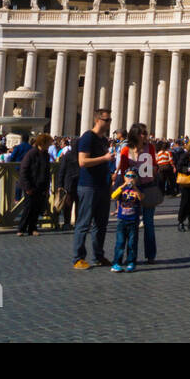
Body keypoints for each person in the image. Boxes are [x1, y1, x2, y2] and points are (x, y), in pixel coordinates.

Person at [72, 110, 114, 269]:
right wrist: (104, 158)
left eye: (110, 119)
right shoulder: (88, 137)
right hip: (88, 185)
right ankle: (78, 258)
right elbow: (82, 161)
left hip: (102, 185)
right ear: (97, 120)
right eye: (106, 120)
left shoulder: (103, 140)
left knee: (101, 224)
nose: (109, 123)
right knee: (84, 223)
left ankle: (98, 255)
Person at [116, 124, 160, 262]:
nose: (144, 135)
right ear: (135, 135)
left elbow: (155, 166)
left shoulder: (150, 148)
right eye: (142, 133)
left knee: (148, 223)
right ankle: (129, 257)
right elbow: (123, 172)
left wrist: (153, 169)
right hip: (131, 191)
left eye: (145, 133)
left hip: (147, 188)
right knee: (130, 224)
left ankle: (151, 255)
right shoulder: (125, 150)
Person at [16, 134, 53, 236]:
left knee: (36, 208)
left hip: (41, 185)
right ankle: (21, 228)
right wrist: (27, 186)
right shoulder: (31, 154)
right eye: (48, 144)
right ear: (43, 143)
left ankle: (32, 228)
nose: (49, 146)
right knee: (28, 208)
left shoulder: (46, 154)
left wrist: (46, 187)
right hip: (31, 185)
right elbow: (24, 171)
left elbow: (46, 171)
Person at [110, 168, 143, 272]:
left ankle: (131, 262)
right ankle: (116, 263)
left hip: (133, 220)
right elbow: (113, 196)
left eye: (133, 176)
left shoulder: (138, 188)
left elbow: (142, 198)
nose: (130, 178)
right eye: (128, 176)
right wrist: (123, 186)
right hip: (121, 219)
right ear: (124, 177)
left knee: (132, 243)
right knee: (120, 242)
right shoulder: (122, 188)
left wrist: (135, 189)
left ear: (136, 178)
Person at [55, 136, 79, 228]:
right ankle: (76, 222)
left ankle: (67, 222)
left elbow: (62, 170)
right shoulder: (79, 155)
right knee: (77, 204)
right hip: (76, 182)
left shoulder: (67, 155)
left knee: (68, 204)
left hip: (69, 182)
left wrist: (60, 184)